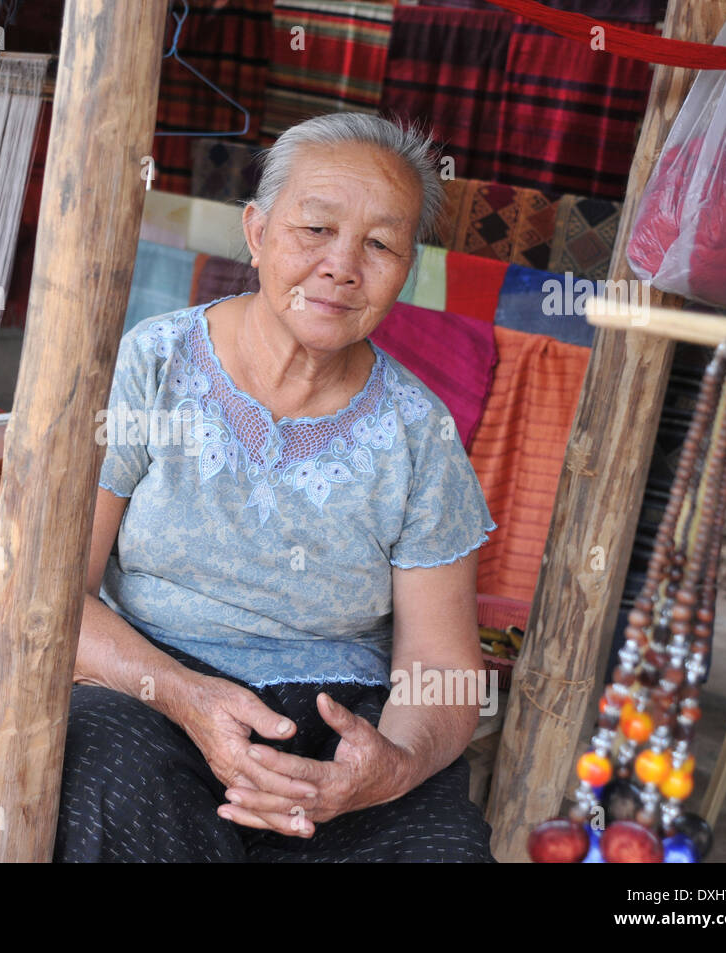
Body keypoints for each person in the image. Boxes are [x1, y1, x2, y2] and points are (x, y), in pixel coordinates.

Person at [55, 112, 497, 862]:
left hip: (340, 731)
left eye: (380, 244)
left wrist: (388, 765)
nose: (342, 266)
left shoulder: (420, 433)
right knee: (102, 784)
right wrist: (184, 696)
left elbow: (444, 668)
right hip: (151, 692)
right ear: (256, 233)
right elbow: (57, 595)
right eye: (315, 229)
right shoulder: (155, 364)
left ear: (405, 270)